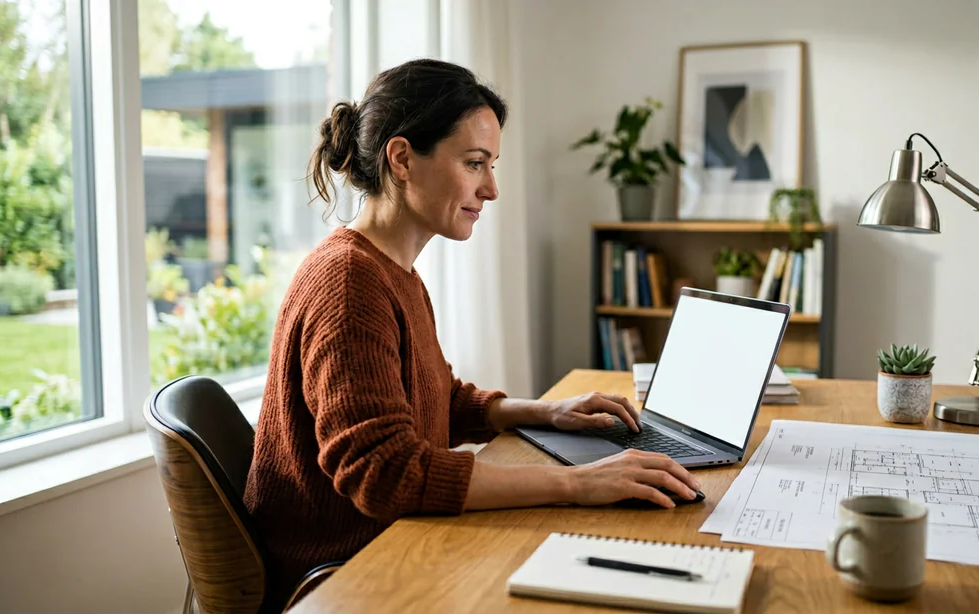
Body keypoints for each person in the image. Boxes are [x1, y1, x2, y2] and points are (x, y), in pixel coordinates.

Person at [243, 58, 701, 609]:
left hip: (393, 545)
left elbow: (433, 397)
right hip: (349, 576)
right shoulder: (349, 284)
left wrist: (544, 412)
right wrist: (579, 483)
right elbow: (384, 473)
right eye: (475, 163)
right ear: (403, 158)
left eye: (492, 165)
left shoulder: (391, 269)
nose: (491, 189)